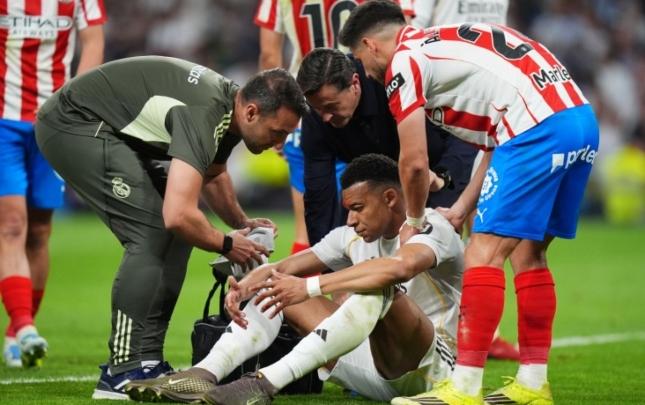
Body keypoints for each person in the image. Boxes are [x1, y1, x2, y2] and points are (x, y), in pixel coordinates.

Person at [338, 2, 599, 404]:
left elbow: (414, 162)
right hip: (578, 121)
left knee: (481, 253)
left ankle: (463, 388)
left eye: (360, 59)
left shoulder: (404, 61)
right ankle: (533, 383)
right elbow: (496, 142)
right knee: (529, 254)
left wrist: (413, 221)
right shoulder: (448, 45)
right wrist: (460, 208)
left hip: (535, 128)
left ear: (371, 45)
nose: (366, 73)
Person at [34, 57, 308, 399]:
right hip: (73, 122)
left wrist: (242, 223)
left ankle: (147, 361)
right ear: (251, 112)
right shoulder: (206, 112)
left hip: (109, 128)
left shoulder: (229, 113)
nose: (280, 143)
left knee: (178, 236)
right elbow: (177, 215)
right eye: (278, 132)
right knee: (150, 231)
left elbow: (213, 175)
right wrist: (226, 244)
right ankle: (121, 370)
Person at [123, 153, 463, 404]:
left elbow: (399, 268)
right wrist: (249, 283)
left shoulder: (433, 227)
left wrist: (311, 287)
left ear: (389, 198)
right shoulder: (349, 236)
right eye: (348, 209)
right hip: (368, 367)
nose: (350, 219)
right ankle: (205, 373)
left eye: (358, 208)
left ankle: (262, 384)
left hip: (428, 372)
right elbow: (283, 268)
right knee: (274, 287)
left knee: (378, 285)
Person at [253, 0, 414, 255]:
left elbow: (269, 56)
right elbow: (402, 36)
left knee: (309, 227)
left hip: (307, 110)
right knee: (389, 216)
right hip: (361, 97)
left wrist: (277, 121)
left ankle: (320, 279)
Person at [0, 0, 106, 368]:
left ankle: (16, 333)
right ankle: (25, 326)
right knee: (12, 224)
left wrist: (73, 103)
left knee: (39, 230)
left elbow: (93, 41)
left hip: (51, 123)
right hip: (3, 122)